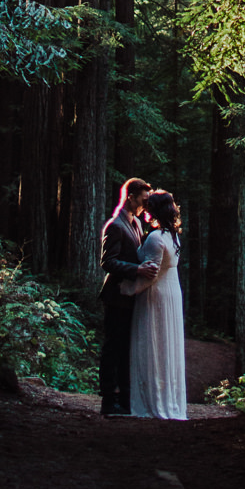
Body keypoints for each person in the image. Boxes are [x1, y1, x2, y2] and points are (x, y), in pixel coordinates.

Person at [124, 190, 187, 420]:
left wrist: (127, 289)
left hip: (156, 295)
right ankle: (167, 399)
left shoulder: (156, 237)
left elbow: (150, 273)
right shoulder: (173, 236)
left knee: (151, 343)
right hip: (171, 293)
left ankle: (151, 401)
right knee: (165, 345)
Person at [98, 177, 159, 417]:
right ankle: (107, 400)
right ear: (130, 197)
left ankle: (124, 398)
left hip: (129, 297)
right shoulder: (115, 225)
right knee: (113, 348)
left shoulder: (135, 223)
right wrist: (137, 270)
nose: (146, 204)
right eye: (143, 200)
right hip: (116, 296)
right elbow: (107, 262)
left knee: (125, 349)